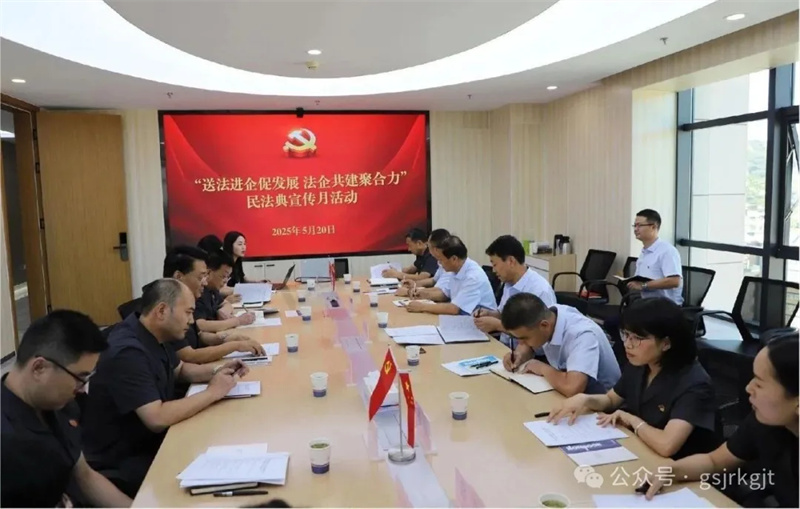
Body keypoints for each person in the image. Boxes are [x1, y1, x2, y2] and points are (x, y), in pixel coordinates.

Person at [82, 279, 251, 497]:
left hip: (152, 443)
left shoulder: (153, 334)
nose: (191, 321)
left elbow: (181, 370)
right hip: (126, 461)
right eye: (188, 312)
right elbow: (157, 418)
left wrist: (219, 371)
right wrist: (213, 392)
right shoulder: (127, 351)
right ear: (161, 311)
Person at [548, 298, 720, 459]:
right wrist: (584, 399)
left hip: (678, 466)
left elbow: (667, 445)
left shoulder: (694, 384)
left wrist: (631, 420)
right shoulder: (642, 363)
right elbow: (611, 400)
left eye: (638, 338)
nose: (628, 344)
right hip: (641, 448)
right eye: (626, 334)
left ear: (666, 343)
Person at [643, 335, 798, 508]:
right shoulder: (764, 421)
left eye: (759, 384)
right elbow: (714, 462)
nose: (748, 388)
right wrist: (672, 471)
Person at [1, 311, 133, 508]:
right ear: (39, 368)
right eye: (80, 377)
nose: (82, 389)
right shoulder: (7, 439)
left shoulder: (60, 404)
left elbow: (85, 475)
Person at [501, 293, 620, 396]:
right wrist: (520, 354)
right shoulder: (549, 316)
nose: (521, 343)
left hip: (602, 399)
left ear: (544, 325)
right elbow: (529, 341)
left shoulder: (581, 335)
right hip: (566, 388)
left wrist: (541, 368)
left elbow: (573, 388)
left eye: (524, 338)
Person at [163, 246, 264, 362]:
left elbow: (200, 336)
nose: (205, 282)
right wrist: (234, 346)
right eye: (201, 277)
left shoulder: (187, 301)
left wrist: (226, 339)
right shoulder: (168, 310)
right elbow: (189, 356)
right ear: (178, 277)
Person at [474, 235, 557, 346]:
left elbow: (541, 334)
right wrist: (490, 314)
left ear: (511, 261)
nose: (493, 270)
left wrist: (498, 325)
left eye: (495, 264)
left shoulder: (540, 290)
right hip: (505, 346)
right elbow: (504, 315)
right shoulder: (509, 283)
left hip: (530, 353)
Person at [406, 235, 497, 315]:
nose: (439, 264)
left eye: (441, 260)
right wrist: (422, 293)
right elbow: (445, 294)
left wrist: (422, 307)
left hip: (481, 324)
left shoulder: (473, 276)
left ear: (454, 259)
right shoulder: (455, 270)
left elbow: (454, 309)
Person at [629, 209, 683, 305]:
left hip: (667, 307)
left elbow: (674, 281)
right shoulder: (644, 252)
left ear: (653, 227)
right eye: (635, 225)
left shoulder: (667, 251)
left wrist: (643, 285)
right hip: (647, 303)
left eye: (639, 225)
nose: (636, 229)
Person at [396, 228, 451, 297]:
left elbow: (442, 293)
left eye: (429, 246)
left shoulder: (449, 265)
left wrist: (409, 292)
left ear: (436, 249)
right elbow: (433, 280)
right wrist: (414, 284)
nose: (428, 248)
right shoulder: (441, 262)